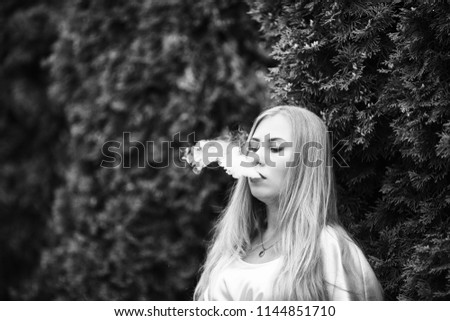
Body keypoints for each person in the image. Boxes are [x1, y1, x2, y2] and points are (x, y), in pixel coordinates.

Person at [194, 105, 384, 300]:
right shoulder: (234, 245)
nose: (255, 157)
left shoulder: (327, 247)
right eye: (252, 148)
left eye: (275, 148)